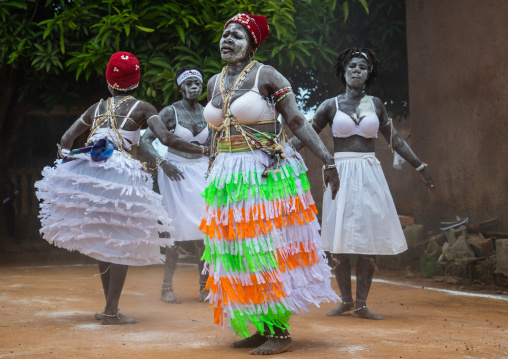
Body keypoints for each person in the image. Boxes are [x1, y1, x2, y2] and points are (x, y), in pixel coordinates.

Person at [35, 52, 209, 325]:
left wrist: (67, 163)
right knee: (121, 240)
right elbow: (165, 138)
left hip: (91, 173)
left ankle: (110, 308)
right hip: (121, 175)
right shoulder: (143, 108)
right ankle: (111, 311)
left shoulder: (96, 108)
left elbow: (67, 138)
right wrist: (201, 149)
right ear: (137, 82)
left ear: (109, 82)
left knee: (105, 239)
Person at [201, 13, 341, 355]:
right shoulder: (213, 83)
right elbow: (214, 136)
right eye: (225, 35)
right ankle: (262, 326)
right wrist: (210, 168)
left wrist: (328, 159)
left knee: (265, 250)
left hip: (264, 174)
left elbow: (296, 120)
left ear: (252, 44)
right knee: (239, 253)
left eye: (237, 35)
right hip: (227, 177)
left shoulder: (267, 75)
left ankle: (279, 331)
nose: (228, 40)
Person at [291, 48, 436, 320]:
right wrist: (281, 151)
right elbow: (306, 135)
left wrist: (419, 165)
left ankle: (361, 304)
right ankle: (345, 300)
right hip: (339, 173)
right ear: (343, 71)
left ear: (369, 73)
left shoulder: (376, 105)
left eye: (362, 67)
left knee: (369, 237)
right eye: (352, 66)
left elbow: (396, 140)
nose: (357, 70)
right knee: (339, 240)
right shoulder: (329, 105)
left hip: (369, 173)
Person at [139, 67, 210, 303]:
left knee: (205, 229)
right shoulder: (170, 112)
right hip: (174, 172)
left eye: (197, 84)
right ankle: (166, 288)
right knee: (175, 230)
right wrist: (161, 162)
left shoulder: (209, 112)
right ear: (181, 87)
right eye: (188, 83)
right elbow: (145, 141)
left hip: (202, 172)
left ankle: (205, 286)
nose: (193, 87)